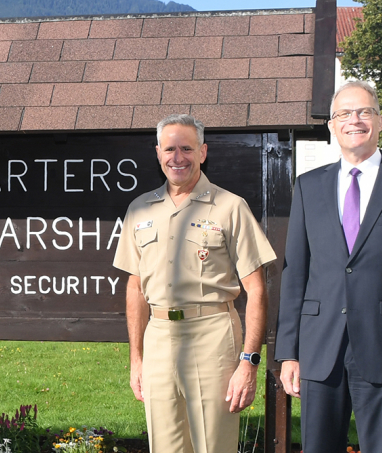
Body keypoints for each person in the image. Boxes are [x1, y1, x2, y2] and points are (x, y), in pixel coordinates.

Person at [274, 81, 382, 453]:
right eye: (344, 114)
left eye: (364, 111)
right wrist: (289, 352)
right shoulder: (308, 186)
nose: (355, 120)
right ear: (332, 126)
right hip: (320, 349)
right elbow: (295, 272)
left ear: (380, 121)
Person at [113, 114, 275, 453]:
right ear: (158, 153)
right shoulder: (139, 209)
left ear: (203, 152)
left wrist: (249, 361)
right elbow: (134, 287)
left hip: (212, 334)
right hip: (157, 338)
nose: (177, 157)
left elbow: (256, 289)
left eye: (187, 148)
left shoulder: (230, 207)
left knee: (213, 446)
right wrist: (136, 359)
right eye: (169, 149)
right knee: (165, 446)